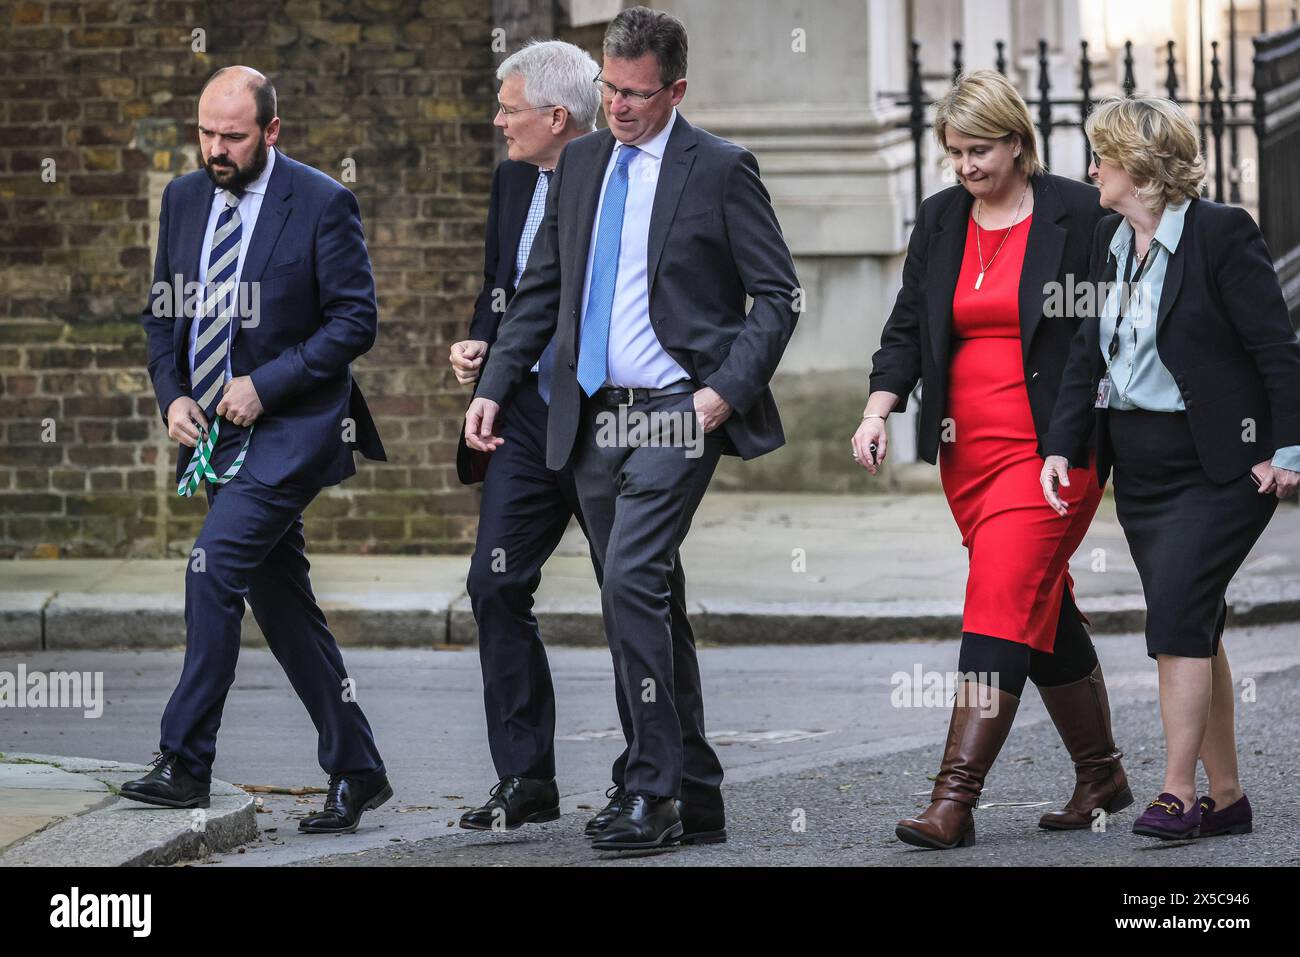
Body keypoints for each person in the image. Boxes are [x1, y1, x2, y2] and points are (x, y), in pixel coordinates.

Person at [464, 6, 800, 850]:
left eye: (636, 93)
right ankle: (696, 786)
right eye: (609, 87)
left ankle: (651, 790)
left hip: (675, 415)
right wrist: (496, 387)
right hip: (591, 417)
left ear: (675, 89)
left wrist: (721, 393)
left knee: (631, 581)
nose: (617, 105)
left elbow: (778, 294)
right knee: (648, 597)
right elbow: (541, 290)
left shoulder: (720, 167)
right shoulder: (581, 163)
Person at [856, 70, 1130, 850]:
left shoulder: (1078, 213)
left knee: (999, 598)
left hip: (1053, 452)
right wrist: (879, 409)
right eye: (955, 153)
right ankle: (1102, 772)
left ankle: (955, 797)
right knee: (1035, 604)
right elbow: (907, 324)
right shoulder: (942, 218)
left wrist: (1069, 440)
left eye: (980, 150)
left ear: (1018, 142)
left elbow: (1096, 333)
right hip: (965, 454)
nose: (967, 166)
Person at [127, 66, 391, 834]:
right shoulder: (182, 199)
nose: (215, 148)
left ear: (270, 132)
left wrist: (265, 386)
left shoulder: (319, 202)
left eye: (232, 136)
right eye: (205, 132)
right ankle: (358, 766)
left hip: (291, 426)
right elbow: (160, 315)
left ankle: (184, 761)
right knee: (280, 601)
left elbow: (354, 322)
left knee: (210, 571)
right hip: (214, 433)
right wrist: (172, 393)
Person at [1041, 94, 1300, 840]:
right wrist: (1062, 444)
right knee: (1197, 622)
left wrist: (1286, 450)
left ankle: (1177, 792)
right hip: (1142, 470)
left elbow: (1275, 348)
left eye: (1102, 157)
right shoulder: (1107, 239)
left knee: (1176, 620)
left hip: (1219, 467)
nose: (1091, 170)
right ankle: (1228, 795)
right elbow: (1088, 353)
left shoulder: (1220, 233)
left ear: (1141, 167)